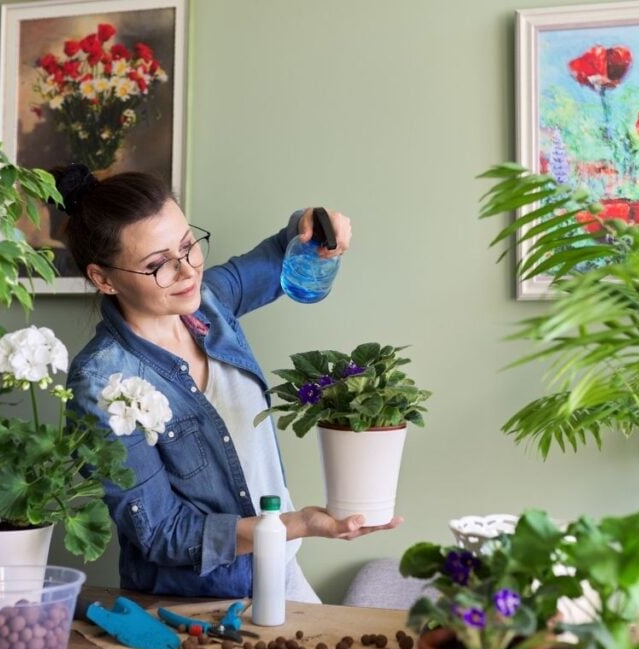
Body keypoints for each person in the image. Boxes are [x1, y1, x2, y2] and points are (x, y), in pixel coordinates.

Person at [58, 165, 401, 600]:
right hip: (197, 600)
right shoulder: (101, 385)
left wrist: (313, 222)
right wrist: (298, 524)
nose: (187, 272)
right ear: (102, 278)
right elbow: (161, 532)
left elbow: (284, 247)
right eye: (158, 264)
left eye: (187, 247)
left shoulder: (210, 305)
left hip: (280, 568)